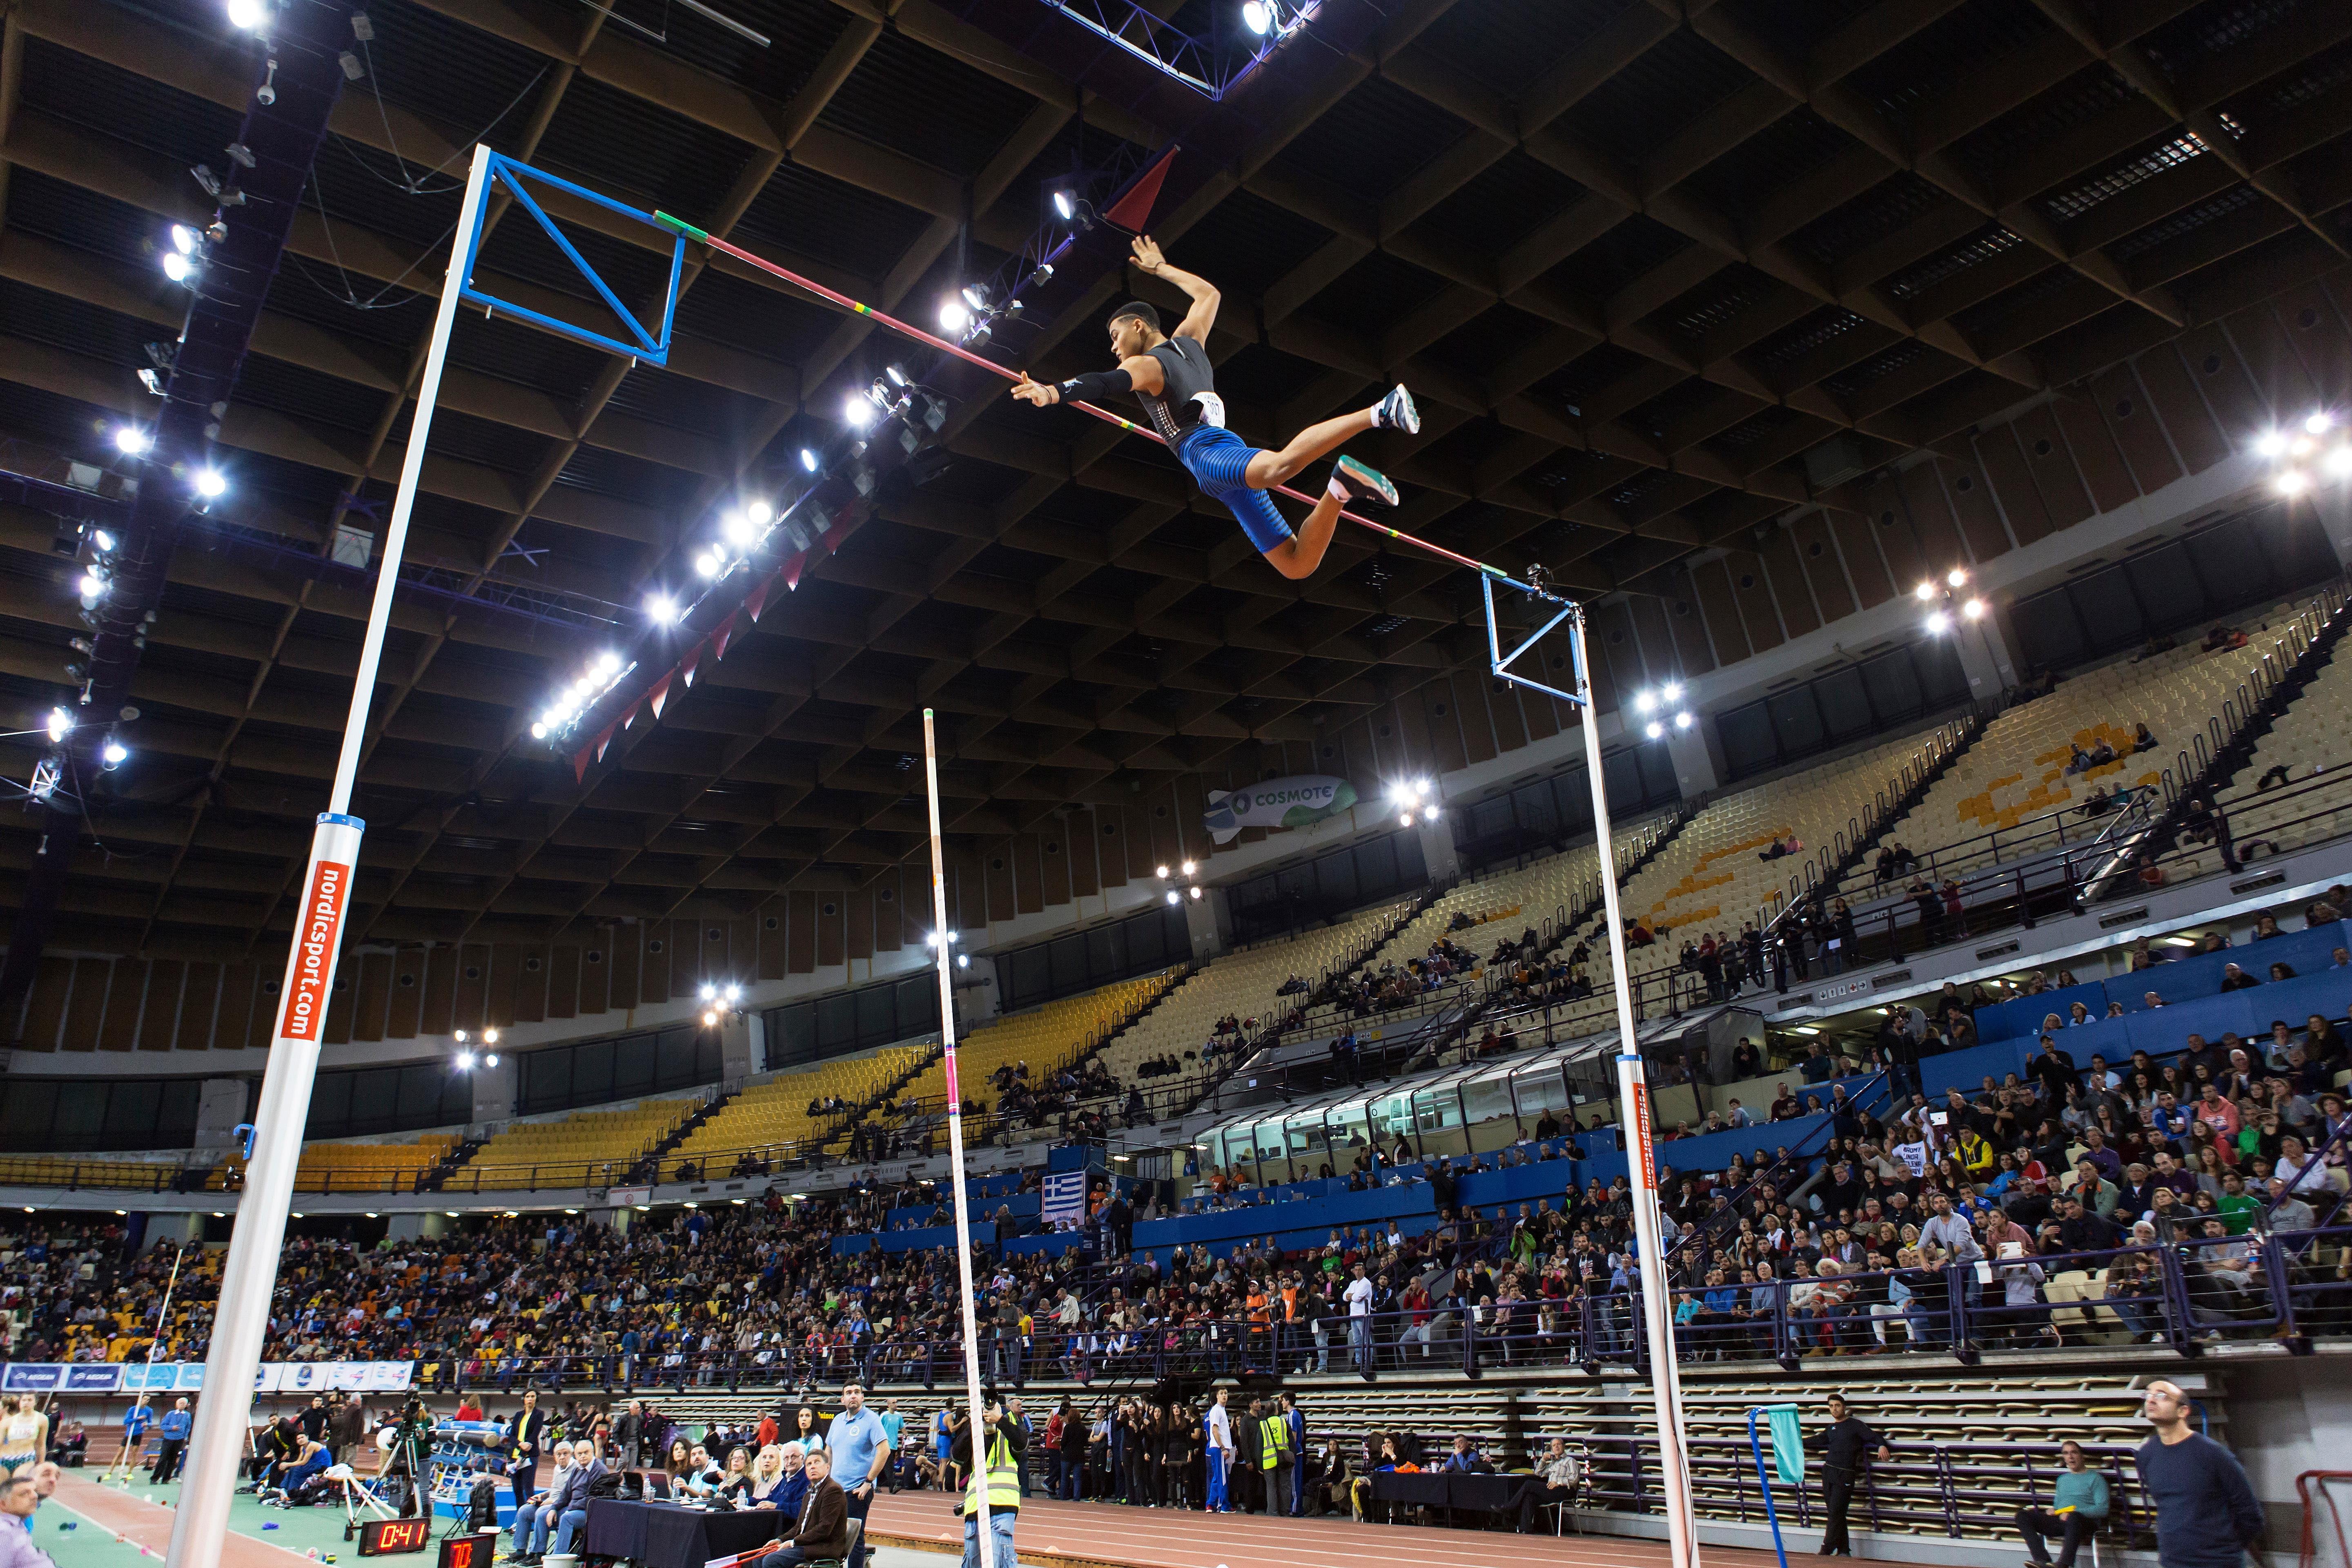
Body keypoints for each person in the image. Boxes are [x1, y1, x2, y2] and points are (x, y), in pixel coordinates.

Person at [1011, 237, 1419, 583]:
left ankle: (1381, 412)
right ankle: (1340, 488)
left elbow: (1102, 382)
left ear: (1139, 325)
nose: (1114, 347)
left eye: (1116, 336)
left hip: (1205, 454)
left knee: (1279, 468)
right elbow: (1210, 295)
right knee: (1298, 565)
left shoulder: (1145, 365)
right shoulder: (1189, 342)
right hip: (1220, 461)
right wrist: (1162, 268)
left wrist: (1053, 392)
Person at [2136, 1381, 2262, 1568]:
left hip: (2218, 1562)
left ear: (2183, 1411)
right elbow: (2166, 1506)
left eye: (2162, 1396)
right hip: (2173, 1562)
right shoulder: (2147, 1455)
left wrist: (2225, 1550)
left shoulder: (2212, 1454)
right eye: (2148, 1395)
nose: (2152, 1401)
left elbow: (2250, 1514)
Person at [1804, 1393, 1891, 1558]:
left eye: (1837, 1405)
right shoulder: (1831, 1429)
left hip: (1845, 1474)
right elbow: (1817, 1440)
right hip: (1829, 1471)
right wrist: (1797, 1442)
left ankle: (1826, 1547)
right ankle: (1844, 1550)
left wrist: (1881, 1446)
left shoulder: (1855, 1425)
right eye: (1831, 1406)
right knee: (1836, 1512)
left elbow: (1874, 1436)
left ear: (1844, 1407)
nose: (1834, 1409)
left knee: (1836, 1511)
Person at [947, 1398, 1022, 1568]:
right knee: (972, 1562)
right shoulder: (976, 1431)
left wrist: (1001, 1421)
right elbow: (957, 1455)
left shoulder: (1011, 1428)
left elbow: (1022, 1443)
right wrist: (975, 1425)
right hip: (975, 1506)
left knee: (999, 1562)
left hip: (1003, 1504)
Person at [2015, 1439, 2109, 1568]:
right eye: (2066, 1453)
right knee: (2022, 1516)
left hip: (2085, 1522)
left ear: (2082, 1456)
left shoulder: (2096, 1479)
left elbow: (2103, 1509)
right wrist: (2054, 1511)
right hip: (2063, 1521)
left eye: (2074, 1453)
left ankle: (2063, 1565)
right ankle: (2042, 1561)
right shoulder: (2062, 1480)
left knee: (2074, 1517)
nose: (2070, 1457)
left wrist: (2074, 1513)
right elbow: (2060, 1505)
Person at [826, 1383, 891, 1568]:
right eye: (848, 1393)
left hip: (857, 1491)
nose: (853, 1396)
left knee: (854, 1538)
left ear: (862, 1397)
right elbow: (828, 1449)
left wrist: (868, 1482)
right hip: (835, 1490)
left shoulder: (871, 1420)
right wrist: (826, 1481)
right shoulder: (837, 1420)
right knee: (830, 1534)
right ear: (843, 1399)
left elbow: (884, 1451)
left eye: (857, 1392)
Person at [759, 1448, 849, 1568]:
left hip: (823, 1547)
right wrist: (780, 1540)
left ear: (828, 1467)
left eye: (817, 1462)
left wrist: (793, 1542)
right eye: (809, 1464)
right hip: (805, 1545)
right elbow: (799, 1527)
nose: (813, 1467)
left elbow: (824, 1529)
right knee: (760, 1557)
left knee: (771, 1560)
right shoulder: (808, 1493)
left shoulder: (833, 1490)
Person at [0, 1472, 58, 1568]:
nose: (34, 1496)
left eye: (34, 1491)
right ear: (3, 1504)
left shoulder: (15, 1524)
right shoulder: (5, 1533)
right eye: (24, 1494)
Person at [1203, 1388, 1233, 1513]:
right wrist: (1223, 1448)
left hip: (1219, 1448)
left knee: (1217, 1477)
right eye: (1221, 1394)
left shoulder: (1221, 1410)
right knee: (1222, 1478)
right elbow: (1214, 1430)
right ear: (1217, 1397)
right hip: (1219, 1449)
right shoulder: (1216, 1410)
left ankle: (1211, 1503)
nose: (1224, 1396)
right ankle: (1224, 1505)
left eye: (1226, 1393)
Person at [151, 1397, 190, 1485]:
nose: (182, 1405)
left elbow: (188, 1427)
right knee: (163, 1459)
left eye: (184, 1403)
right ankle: (155, 1478)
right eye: (181, 1403)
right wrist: (171, 1428)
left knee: (173, 1460)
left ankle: (166, 1479)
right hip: (169, 1439)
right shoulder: (170, 1414)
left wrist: (185, 1437)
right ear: (177, 1405)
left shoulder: (187, 1415)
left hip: (179, 1440)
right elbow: (163, 1426)